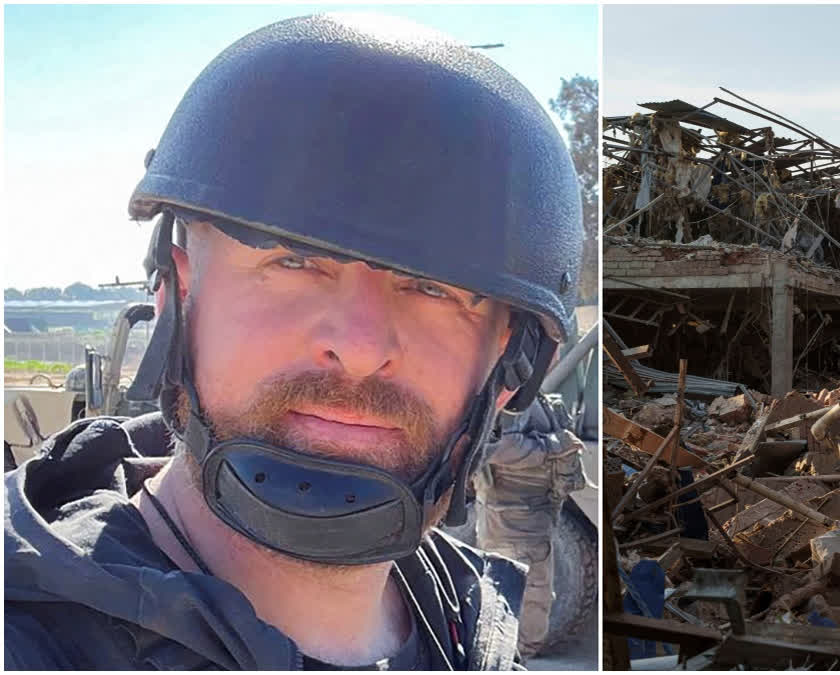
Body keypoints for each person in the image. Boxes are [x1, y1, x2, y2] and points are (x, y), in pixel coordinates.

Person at [5, 12, 583, 670]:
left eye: (434, 290)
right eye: (292, 261)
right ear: (177, 292)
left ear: (510, 364)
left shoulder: (470, 623)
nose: (360, 346)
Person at [475, 392, 586, 658]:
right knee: (513, 598)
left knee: (537, 599)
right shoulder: (510, 399)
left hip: (536, 520)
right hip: (511, 523)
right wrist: (552, 448)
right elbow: (496, 449)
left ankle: (519, 657)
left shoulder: (536, 396)